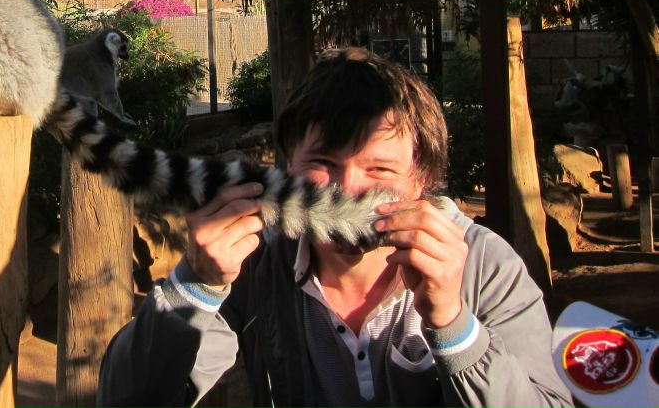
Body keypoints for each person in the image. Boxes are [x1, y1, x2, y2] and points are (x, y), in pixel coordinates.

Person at [98, 47, 573, 407]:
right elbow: (129, 399)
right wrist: (194, 287)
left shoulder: (483, 266)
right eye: (322, 162)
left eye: (380, 170)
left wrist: (454, 325)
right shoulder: (255, 261)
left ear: (422, 179)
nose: (346, 190)